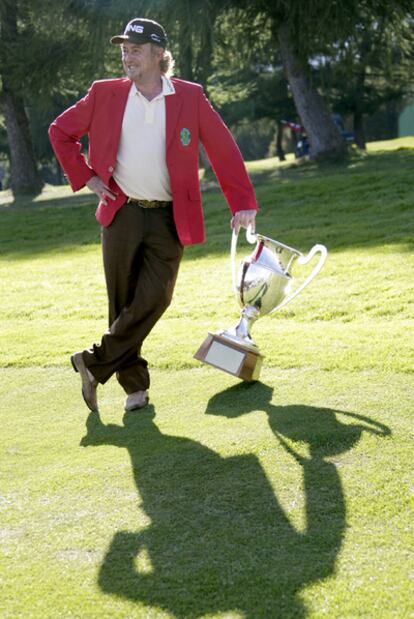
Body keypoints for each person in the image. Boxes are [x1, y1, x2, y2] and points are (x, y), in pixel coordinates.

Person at [48, 17, 258, 413]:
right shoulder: (105, 93)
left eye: (136, 49)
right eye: (124, 49)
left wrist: (241, 200)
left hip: (168, 217)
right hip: (121, 213)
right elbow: (60, 131)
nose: (127, 56)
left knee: (156, 297)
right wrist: (88, 178)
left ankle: (91, 362)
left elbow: (222, 149)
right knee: (123, 302)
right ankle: (135, 389)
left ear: (159, 54)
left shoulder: (190, 97)